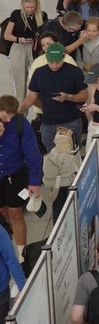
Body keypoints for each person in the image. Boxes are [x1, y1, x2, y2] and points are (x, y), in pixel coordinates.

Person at [23, 42, 88, 152]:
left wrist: (69, 97)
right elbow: (31, 96)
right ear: (46, 57)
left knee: (70, 156)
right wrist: (18, 110)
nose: (54, 65)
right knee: (52, 157)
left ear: (63, 57)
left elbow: (85, 95)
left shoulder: (74, 71)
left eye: (57, 62)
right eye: (50, 62)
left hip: (70, 122)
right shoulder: (39, 72)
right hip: (47, 123)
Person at [0, 94, 43, 245]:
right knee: (3, 212)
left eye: (12, 115)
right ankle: (8, 240)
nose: (9, 120)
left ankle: (21, 253)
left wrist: (34, 182)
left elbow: (33, 154)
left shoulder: (20, 124)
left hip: (15, 174)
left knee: (15, 213)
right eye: (6, 116)